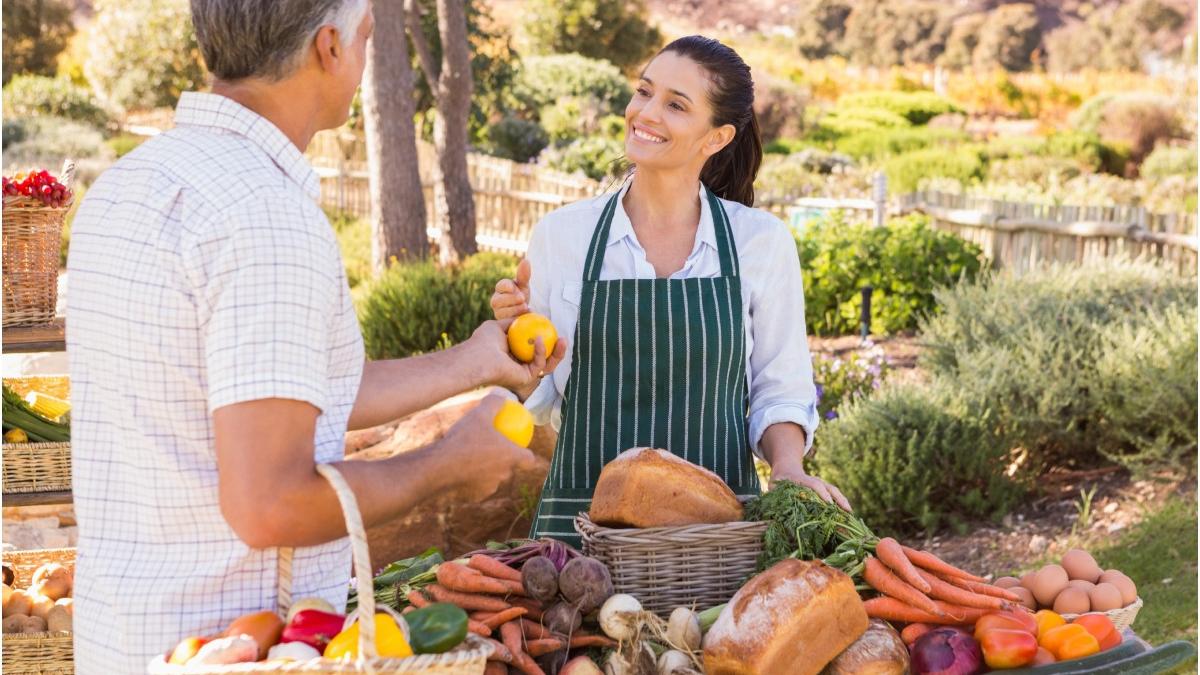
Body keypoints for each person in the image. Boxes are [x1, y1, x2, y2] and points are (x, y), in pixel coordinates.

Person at [65, 1, 565, 671]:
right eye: (363, 37)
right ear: (329, 46)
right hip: (240, 647)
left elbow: (277, 395)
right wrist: (447, 464)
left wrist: (476, 361)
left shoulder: (125, 185)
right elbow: (270, 504)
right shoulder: (266, 216)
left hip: (122, 639)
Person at [490, 35, 848, 547]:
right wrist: (515, 357)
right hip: (581, 531)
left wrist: (788, 467)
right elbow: (543, 397)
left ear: (717, 137)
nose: (646, 113)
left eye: (676, 105)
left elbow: (780, 386)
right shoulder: (562, 236)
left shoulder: (759, 243)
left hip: (716, 536)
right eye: (644, 92)